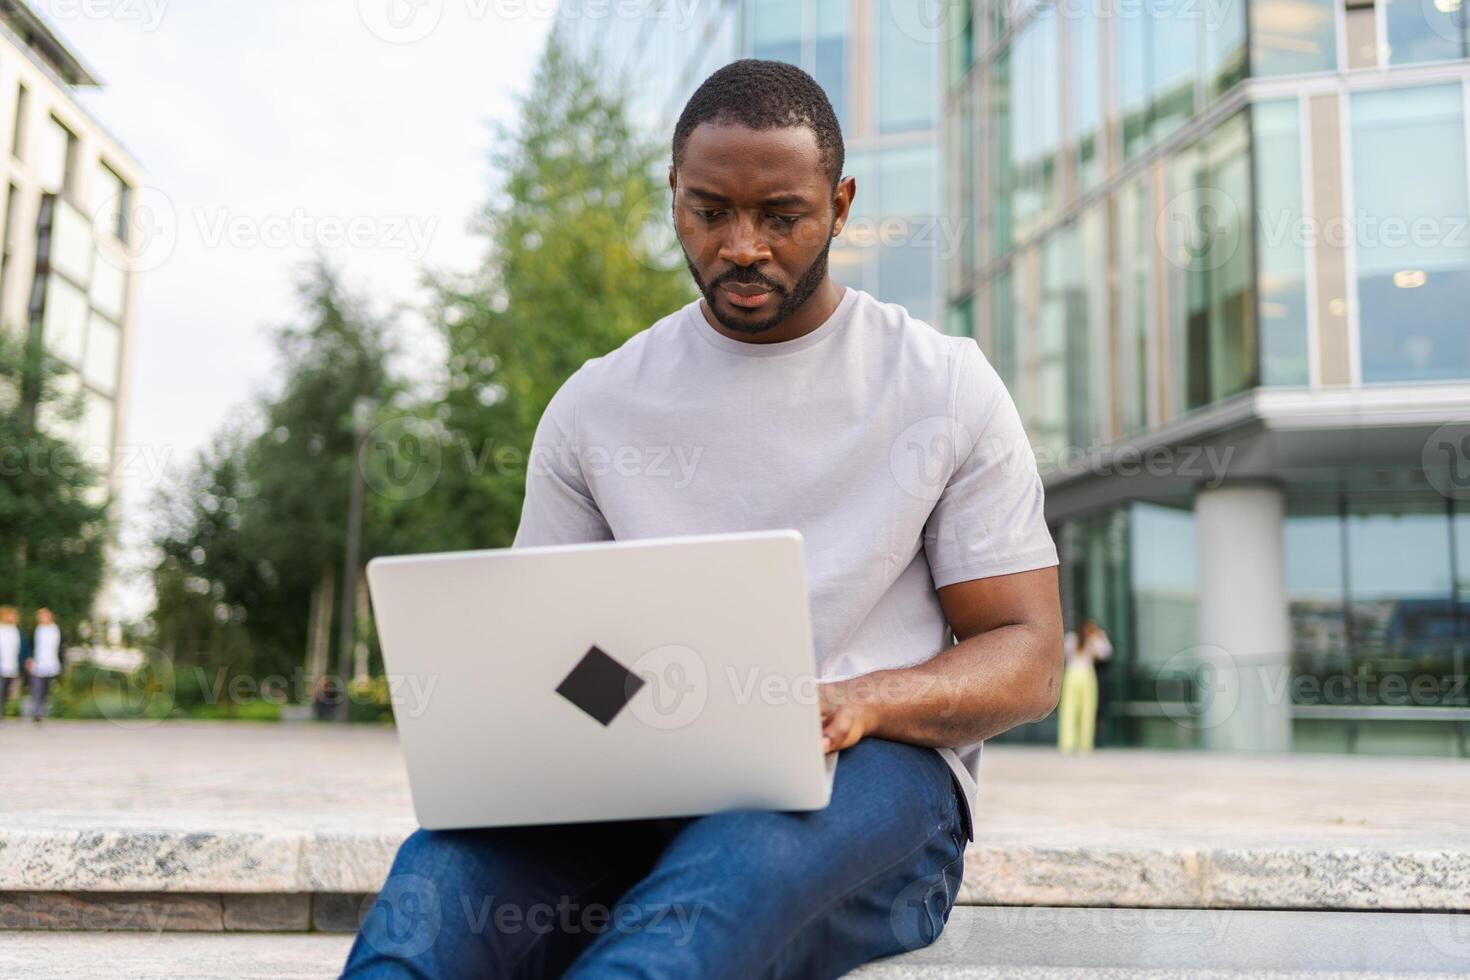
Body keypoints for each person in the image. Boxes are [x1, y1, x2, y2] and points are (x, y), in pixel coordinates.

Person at [344, 59, 1062, 980]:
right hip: (637, 781)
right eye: (710, 211)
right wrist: (637, 727)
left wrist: (861, 700)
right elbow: (549, 650)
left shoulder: (940, 385)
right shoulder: (597, 405)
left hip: (877, 773)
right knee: (432, 902)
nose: (743, 246)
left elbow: (1027, 653)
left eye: (783, 216)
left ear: (841, 206)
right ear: (674, 198)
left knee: (678, 938)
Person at [1057, 618, 1113, 754]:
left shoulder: (1073, 639)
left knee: (1070, 710)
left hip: (1073, 674)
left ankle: (1068, 744)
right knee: (1085, 710)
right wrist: (1100, 637)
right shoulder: (1081, 640)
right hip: (1085, 675)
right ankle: (1083, 745)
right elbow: (1106, 652)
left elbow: (1105, 653)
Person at [27, 607, 64, 723]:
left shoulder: (55, 630)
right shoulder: (36, 630)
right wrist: (29, 660)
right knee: (36, 689)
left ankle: (41, 711)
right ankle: (36, 712)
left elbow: (61, 649)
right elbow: (31, 646)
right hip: (37, 664)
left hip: (51, 664)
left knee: (46, 690)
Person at [0, 606, 23, 717]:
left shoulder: (15, 630)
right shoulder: (1, 629)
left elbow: (19, 648)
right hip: (2, 664)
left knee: (6, 690)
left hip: (12, 665)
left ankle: (2, 710)